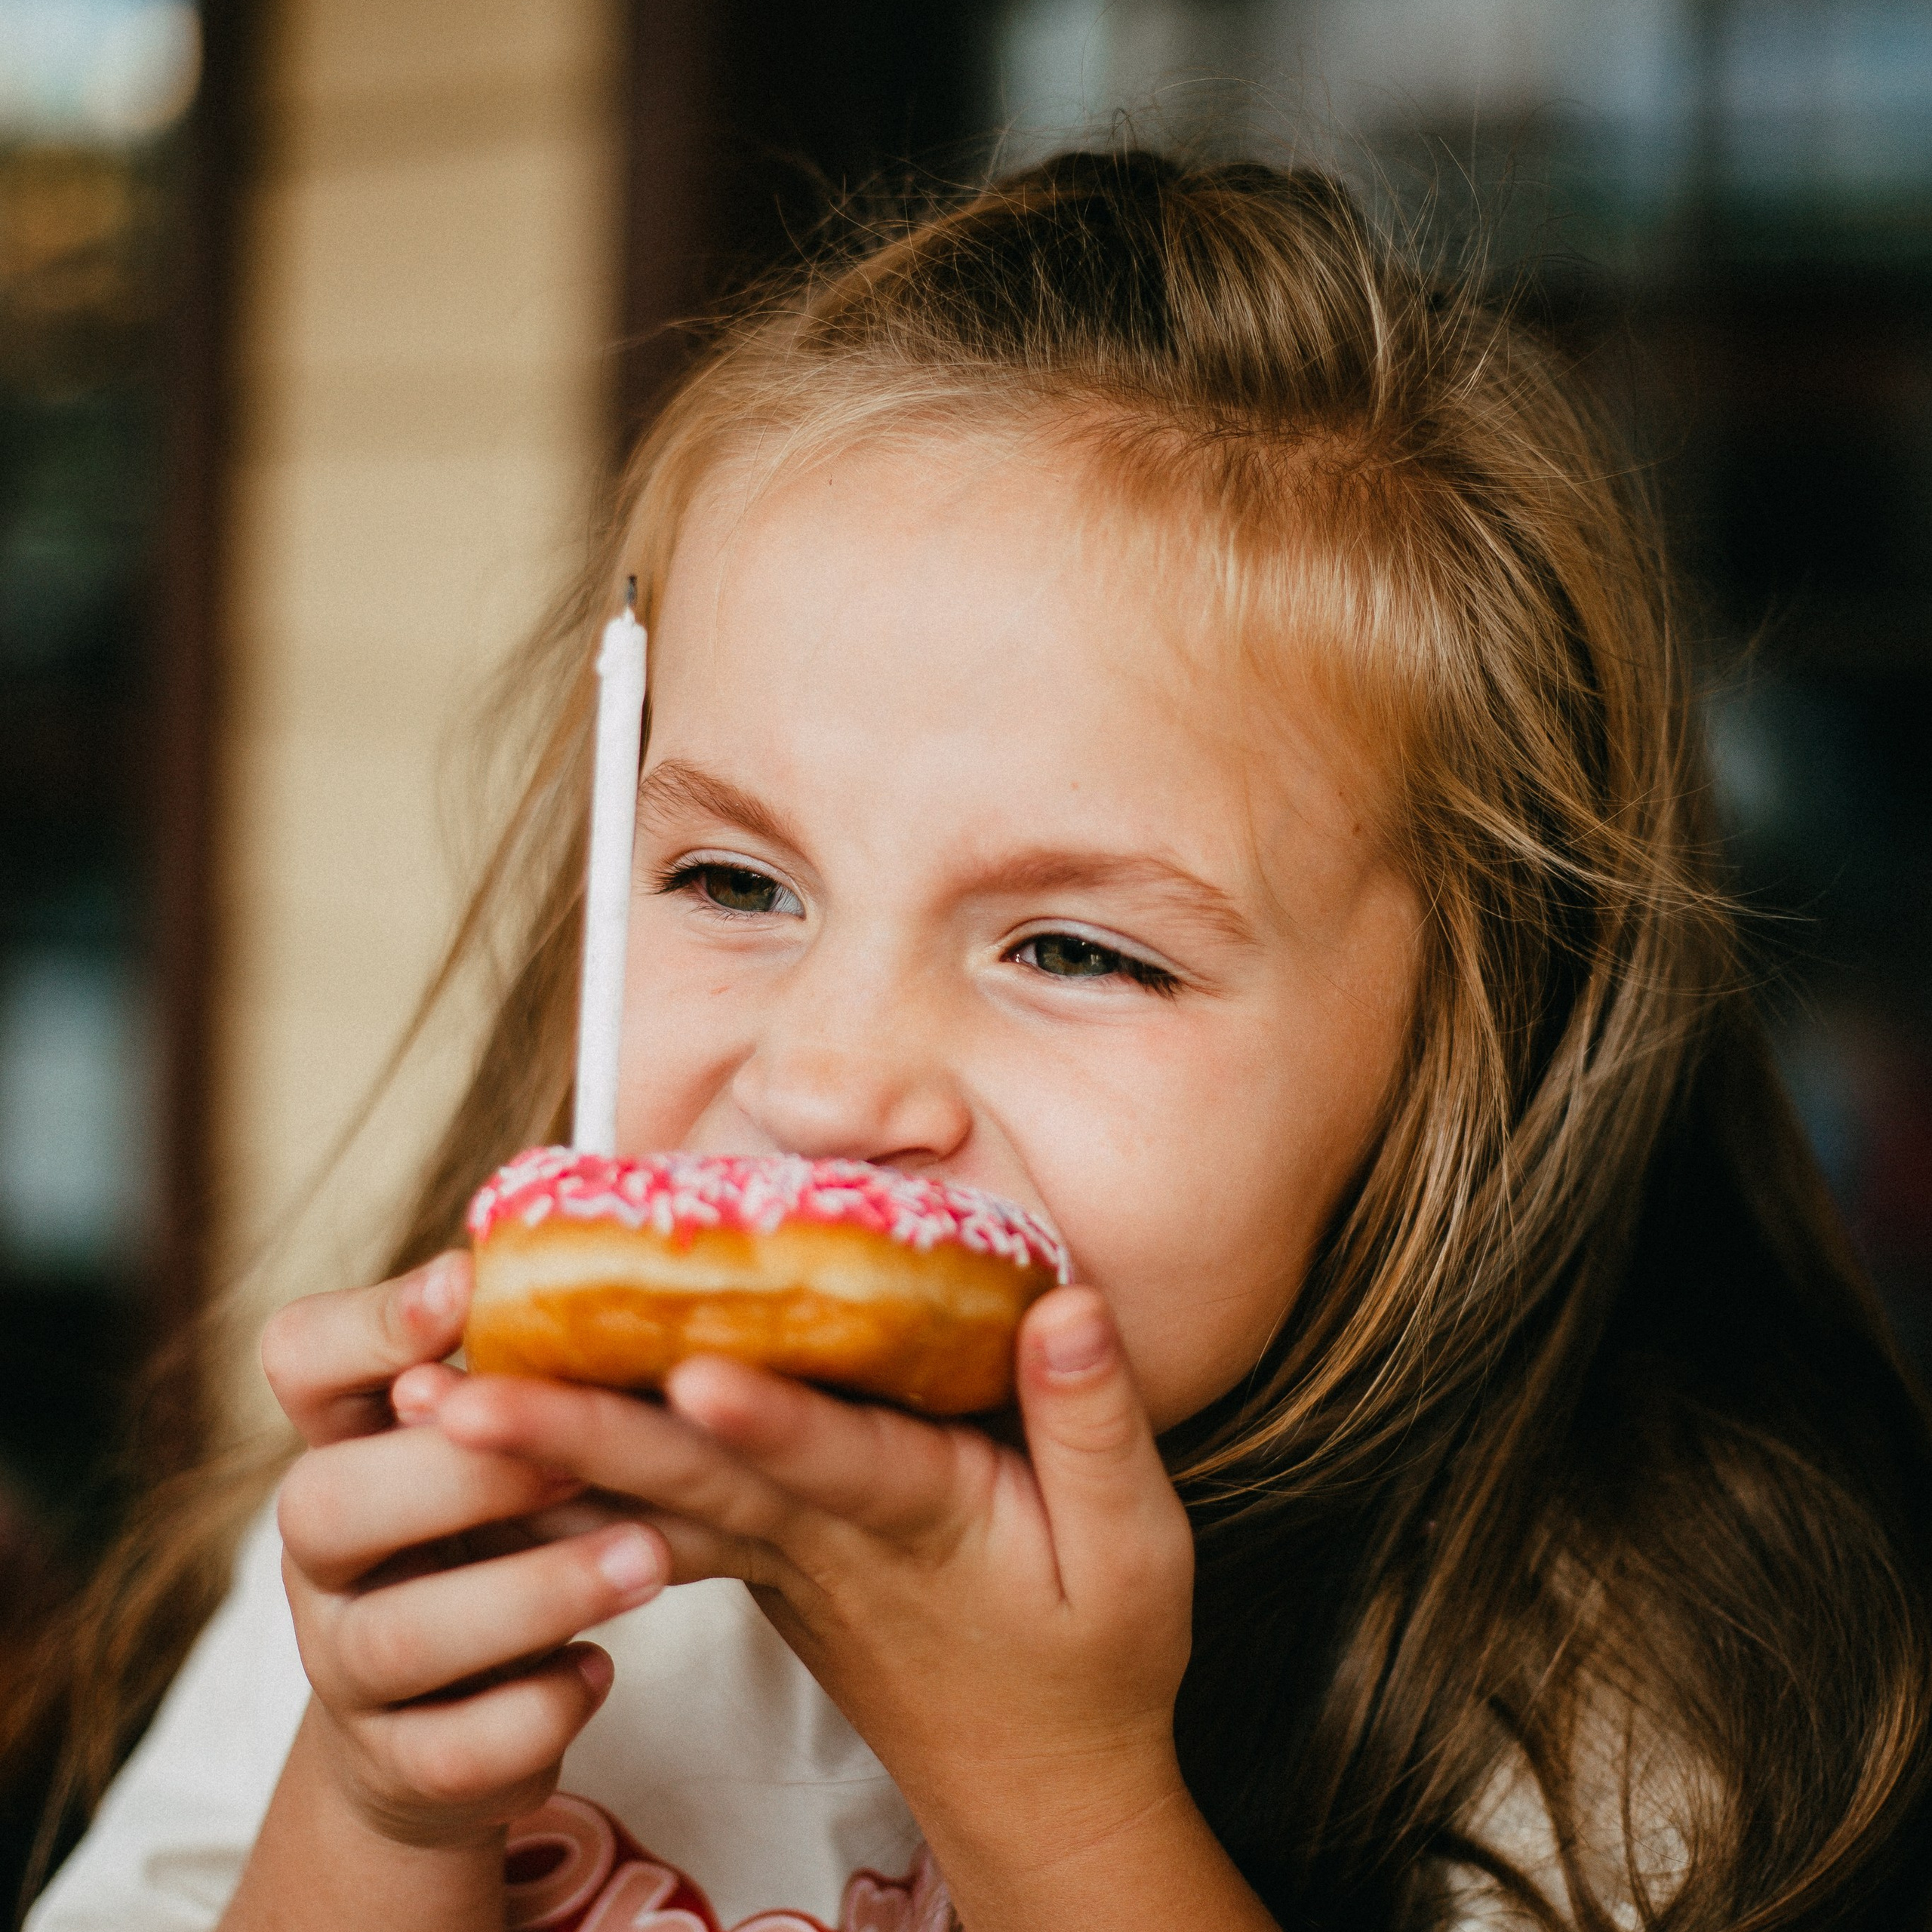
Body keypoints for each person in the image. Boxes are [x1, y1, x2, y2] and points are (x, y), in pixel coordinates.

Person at [20, 149, 1932, 1932]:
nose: (827, 1079)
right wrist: (382, 1800)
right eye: (738, 883)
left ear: (1476, 1062)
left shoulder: (1633, 1727)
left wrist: (1057, 1790)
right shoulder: (452, 1531)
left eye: (1076, 947)